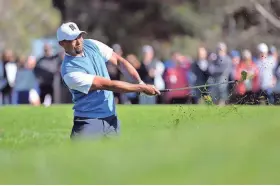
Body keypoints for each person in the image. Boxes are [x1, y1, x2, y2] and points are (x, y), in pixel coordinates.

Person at [57, 22, 160, 139]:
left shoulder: (92, 45)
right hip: (88, 121)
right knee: (81, 157)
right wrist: (142, 88)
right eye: (72, 39)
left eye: (79, 36)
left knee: (116, 157)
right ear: (62, 43)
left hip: (111, 119)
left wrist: (139, 82)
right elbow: (109, 85)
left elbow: (118, 61)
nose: (79, 41)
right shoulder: (69, 70)